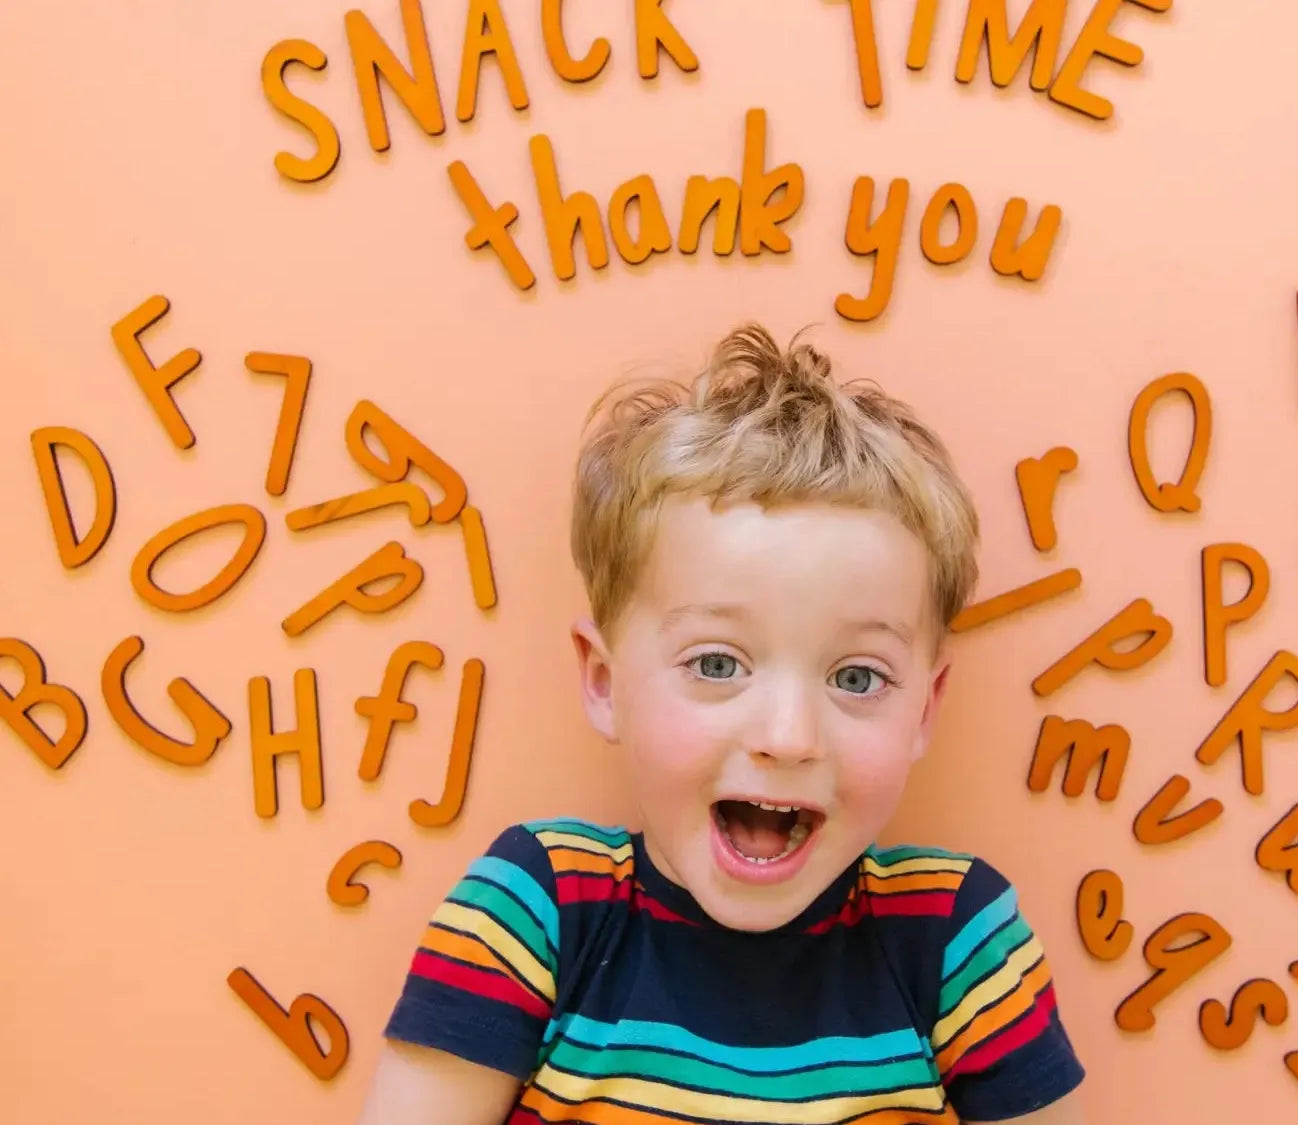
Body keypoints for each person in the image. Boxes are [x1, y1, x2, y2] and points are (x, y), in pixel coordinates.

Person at [358, 325, 1087, 1124]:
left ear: (924, 710)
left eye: (855, 677)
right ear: (604, 682)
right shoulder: (535, 910)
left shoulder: (954, 939)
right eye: (716, 664)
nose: (788, 734)